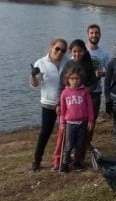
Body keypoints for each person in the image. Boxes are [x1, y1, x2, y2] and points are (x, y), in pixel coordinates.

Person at [52, 39, 97, 170]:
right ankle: (58, 160)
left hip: (83, 105)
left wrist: (88, 89)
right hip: (69, 110)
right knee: (63, 138)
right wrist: (59, 104)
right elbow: (61, 86)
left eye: (80, 51)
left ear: (84, 51)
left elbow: (94, 82)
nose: (77, 54)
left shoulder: (88, 64)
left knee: (82, 140)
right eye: (74, 51)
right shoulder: (68, 65)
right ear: (71, 52)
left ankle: (78, 161)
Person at [28, 38, 68, 171]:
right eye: (57, 48)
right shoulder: (41, 63)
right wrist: (33, 75)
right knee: (45, 132)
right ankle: (37, 160)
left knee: (67, 132)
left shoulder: (67, 62)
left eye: (63, 50)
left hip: (65, 104)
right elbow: (34, 84)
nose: (60, 52)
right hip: (48, 104)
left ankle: (64, 158)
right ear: (51, 47)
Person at [56, 65, 95, 172]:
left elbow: (90, 107)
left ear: (80, 79)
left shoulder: (84, 92)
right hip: (70, 123)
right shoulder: (65, 93)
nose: (75, 81)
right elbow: (63, 111)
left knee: (80, 144)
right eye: (72, 79)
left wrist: (90, 120)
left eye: (77, 78)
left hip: (82, 122)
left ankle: (77, 163)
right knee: (68, 145)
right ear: (68, 79)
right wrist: (62, 124)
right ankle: (64, 164)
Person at [86, 24, 110, 120]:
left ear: (100, 35)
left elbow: (110, 73)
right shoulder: (81, 51)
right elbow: (74, 69)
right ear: (88, 35)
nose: (94, 35)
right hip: (82, 90)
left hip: (96, 92)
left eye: (96, 33)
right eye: (91, 33)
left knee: (91, 121)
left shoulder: (104, 54)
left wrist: (103, 74)